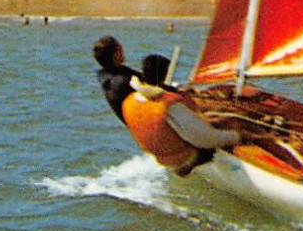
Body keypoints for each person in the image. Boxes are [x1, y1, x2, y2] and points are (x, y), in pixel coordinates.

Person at [93, 37, 241, 177]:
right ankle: (195, 159)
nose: (123, 50)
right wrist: (236, 137)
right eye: (120, 48)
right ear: (116, 54)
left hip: (141, 126)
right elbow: (147, 89)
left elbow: (145, 84)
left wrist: (171, 90)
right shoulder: (122, 81)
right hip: (159, 126)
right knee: (214, 117)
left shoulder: (108, 77)